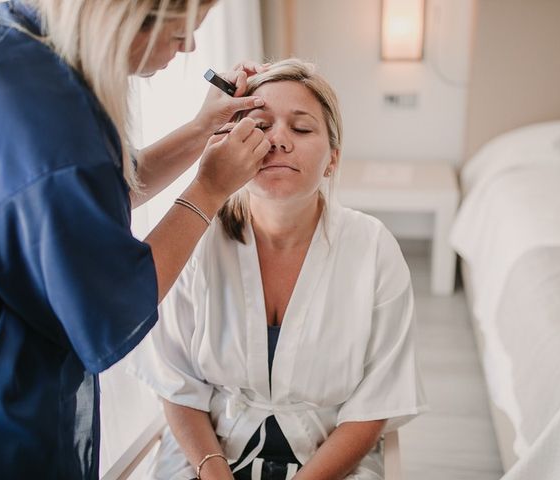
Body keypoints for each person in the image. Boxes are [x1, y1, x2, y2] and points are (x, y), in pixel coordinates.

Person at [0, 0, 271, 478]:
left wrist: (201, 130)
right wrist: (209, 189)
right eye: (181, 33)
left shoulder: (13, 42)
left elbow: (93, 198)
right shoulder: (46, 123)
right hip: (0, 413)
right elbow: (112, 302)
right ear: (123, 15)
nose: (191, 46)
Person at [129, 58, 428, 480]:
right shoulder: (195, 240)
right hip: (207, 456)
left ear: (332, 160)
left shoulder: (373, 249)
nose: (278, 141)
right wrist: (214, 471)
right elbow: (176, 383)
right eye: (260, 126)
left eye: (301, 128)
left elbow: (377, 402)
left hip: (330, 461)